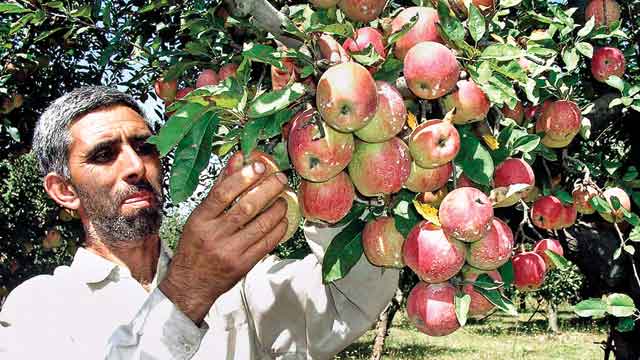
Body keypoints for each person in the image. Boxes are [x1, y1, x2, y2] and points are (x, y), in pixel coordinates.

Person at [0, 86, 399, 359]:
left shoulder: (238, 284)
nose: (136, 166)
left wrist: (329, 181)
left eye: (145, 147)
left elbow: (350, 301)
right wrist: (190, 289)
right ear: (64, 190)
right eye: (104, 155)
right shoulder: (39, 309)